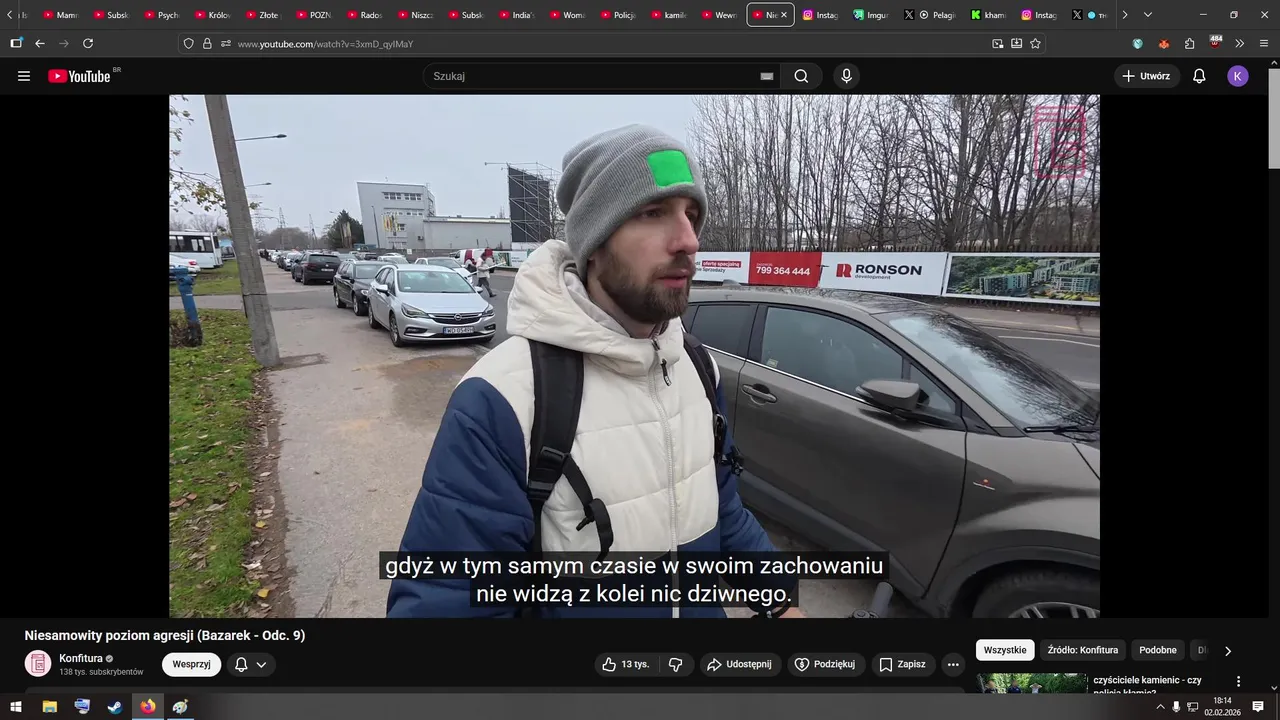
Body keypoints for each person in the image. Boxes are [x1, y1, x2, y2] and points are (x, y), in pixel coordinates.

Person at [387, 124, 800, 618]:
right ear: (595, 242)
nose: (688, 240)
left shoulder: (697, 367)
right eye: (653, 213)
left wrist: (779, 601)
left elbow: (722, 507)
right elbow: (448, 601)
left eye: (691, 215)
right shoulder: (503, 397)